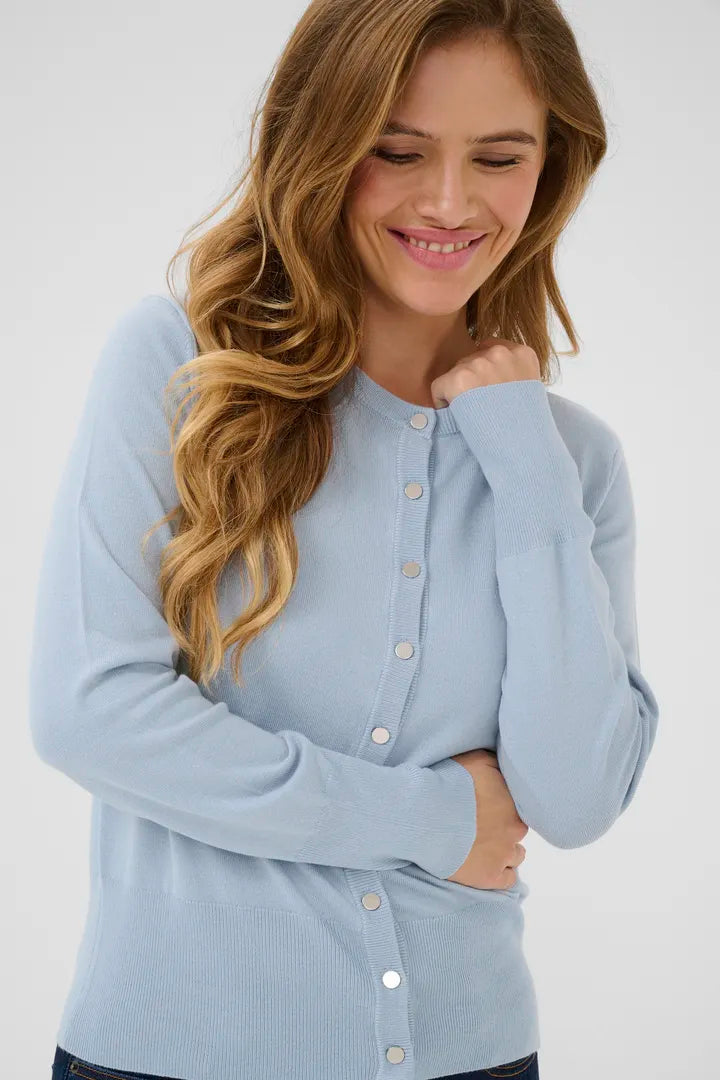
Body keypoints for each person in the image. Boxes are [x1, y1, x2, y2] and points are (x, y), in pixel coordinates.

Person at [31, 1, 660, 1078]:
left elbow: (575, 797)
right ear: (318, 144)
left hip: (474, 1056)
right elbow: (90, 713)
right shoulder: (182, 369)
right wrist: (433, 817)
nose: (451, 202)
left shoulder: (568, 464)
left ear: (551, 168)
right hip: (174, 1058)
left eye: (499, 157)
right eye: (397, 151)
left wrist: (524, 462)